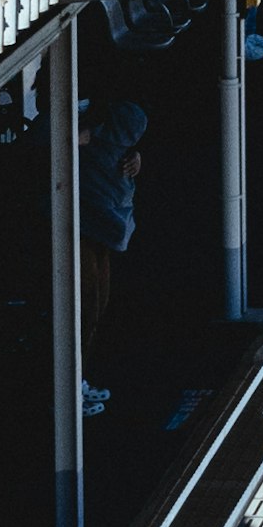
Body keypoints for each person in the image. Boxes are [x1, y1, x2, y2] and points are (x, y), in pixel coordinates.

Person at [79, 93, 147, 415]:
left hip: (98, 227)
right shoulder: (88, 134)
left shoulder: (111, 145)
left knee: (96, 304)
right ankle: (68, 385)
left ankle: (78, 379)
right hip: (81, 225)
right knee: (85, 302)